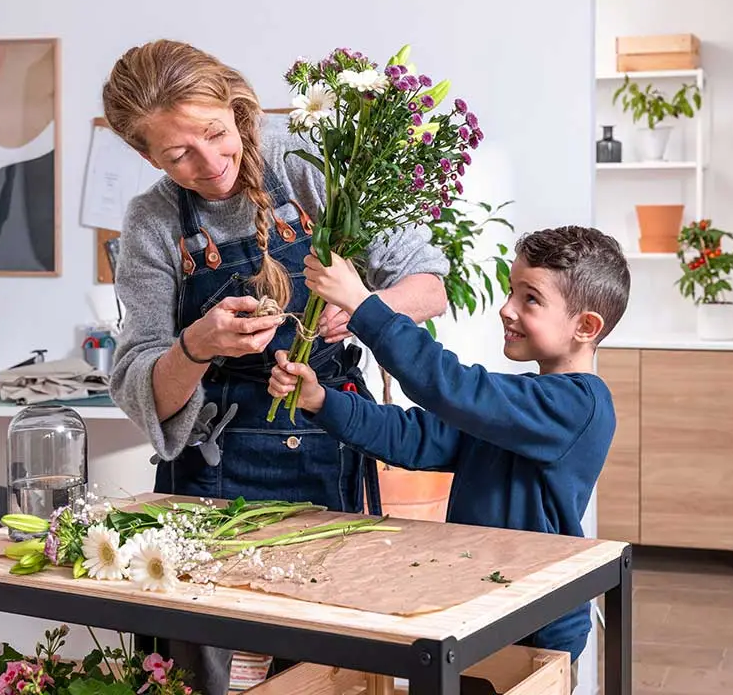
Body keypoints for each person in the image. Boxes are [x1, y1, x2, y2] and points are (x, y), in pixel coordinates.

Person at [101, 39, 449, 694]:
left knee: (332, 666)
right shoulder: (152, 222)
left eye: (213, 134)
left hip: (329, 447)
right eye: (179, 155)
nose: (209, 163)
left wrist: (365, 310)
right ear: (146, 156)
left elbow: (430, 284)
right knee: (206, 674)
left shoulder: (304, 164)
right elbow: (138, 384)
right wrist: (197, 345)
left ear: (235, 109)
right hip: (212, 476)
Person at [268, 225, 631, 692]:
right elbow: (414, 437)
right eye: (510, 291)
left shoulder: (580, 406)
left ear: (585, 326)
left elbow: (451, 386)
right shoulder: (514, 407)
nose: (507, 308)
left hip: (533, 628)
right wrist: (321, 401)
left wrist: (363, 305)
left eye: (530, 299)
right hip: (478, 611)